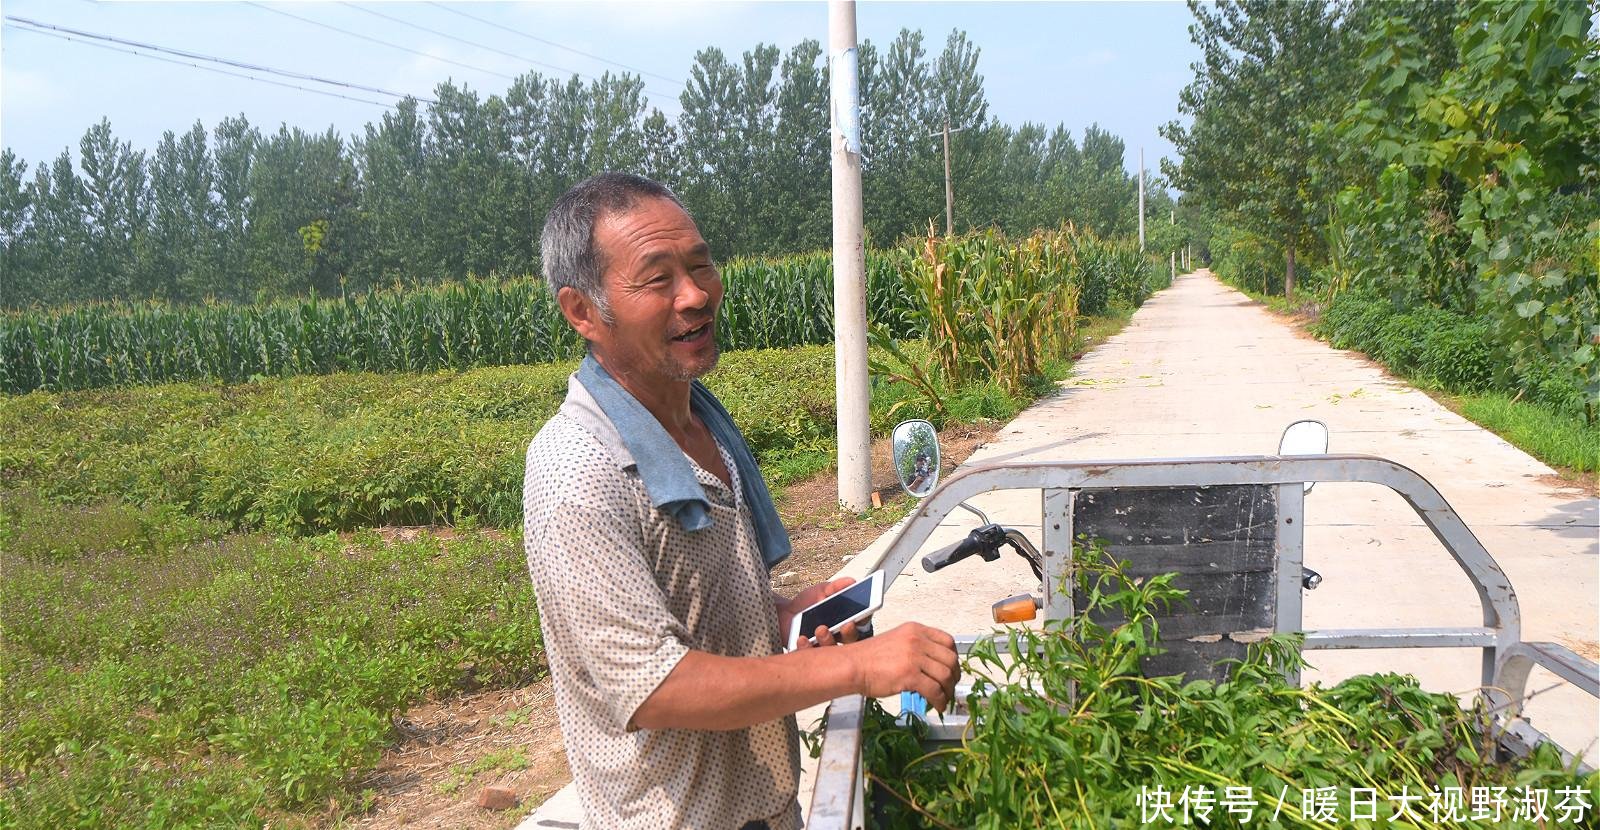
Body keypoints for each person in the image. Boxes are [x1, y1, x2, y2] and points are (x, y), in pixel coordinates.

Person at [522, 173, 961, 830]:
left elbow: (690, 602)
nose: (696, 295)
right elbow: (657, 686)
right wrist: (859, 666)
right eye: (658, 278)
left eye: (700, 265)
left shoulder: (700, 422)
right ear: (582, 311)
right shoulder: (576, 469)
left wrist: (784, 616)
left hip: (766, 809)